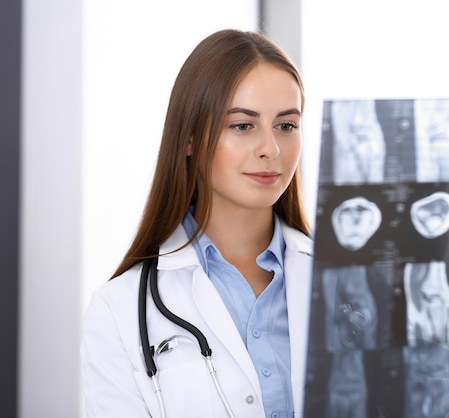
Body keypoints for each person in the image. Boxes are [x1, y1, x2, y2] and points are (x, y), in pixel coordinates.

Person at [80, 29, 313, 418]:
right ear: (189, 138)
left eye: (286, 125)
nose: (270, 149)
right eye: (242, 125)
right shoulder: (117, 312)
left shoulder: (348, 285)